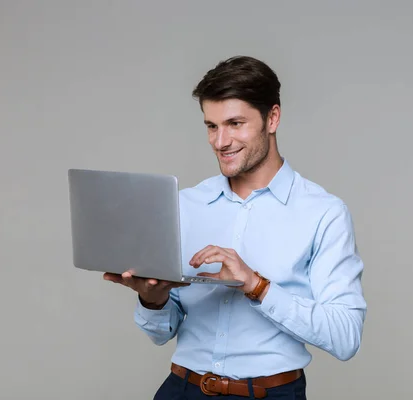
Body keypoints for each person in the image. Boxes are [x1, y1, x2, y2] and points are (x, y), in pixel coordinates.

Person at [104, 55, 367, 399]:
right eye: (211, 126)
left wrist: (255, 285)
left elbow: (345, 337)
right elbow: (161, 332)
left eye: (235, 123)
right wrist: (153, 299)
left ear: (272, 118)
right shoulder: (185, 205)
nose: (220, 141)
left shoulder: (323, 213)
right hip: (182, 389)